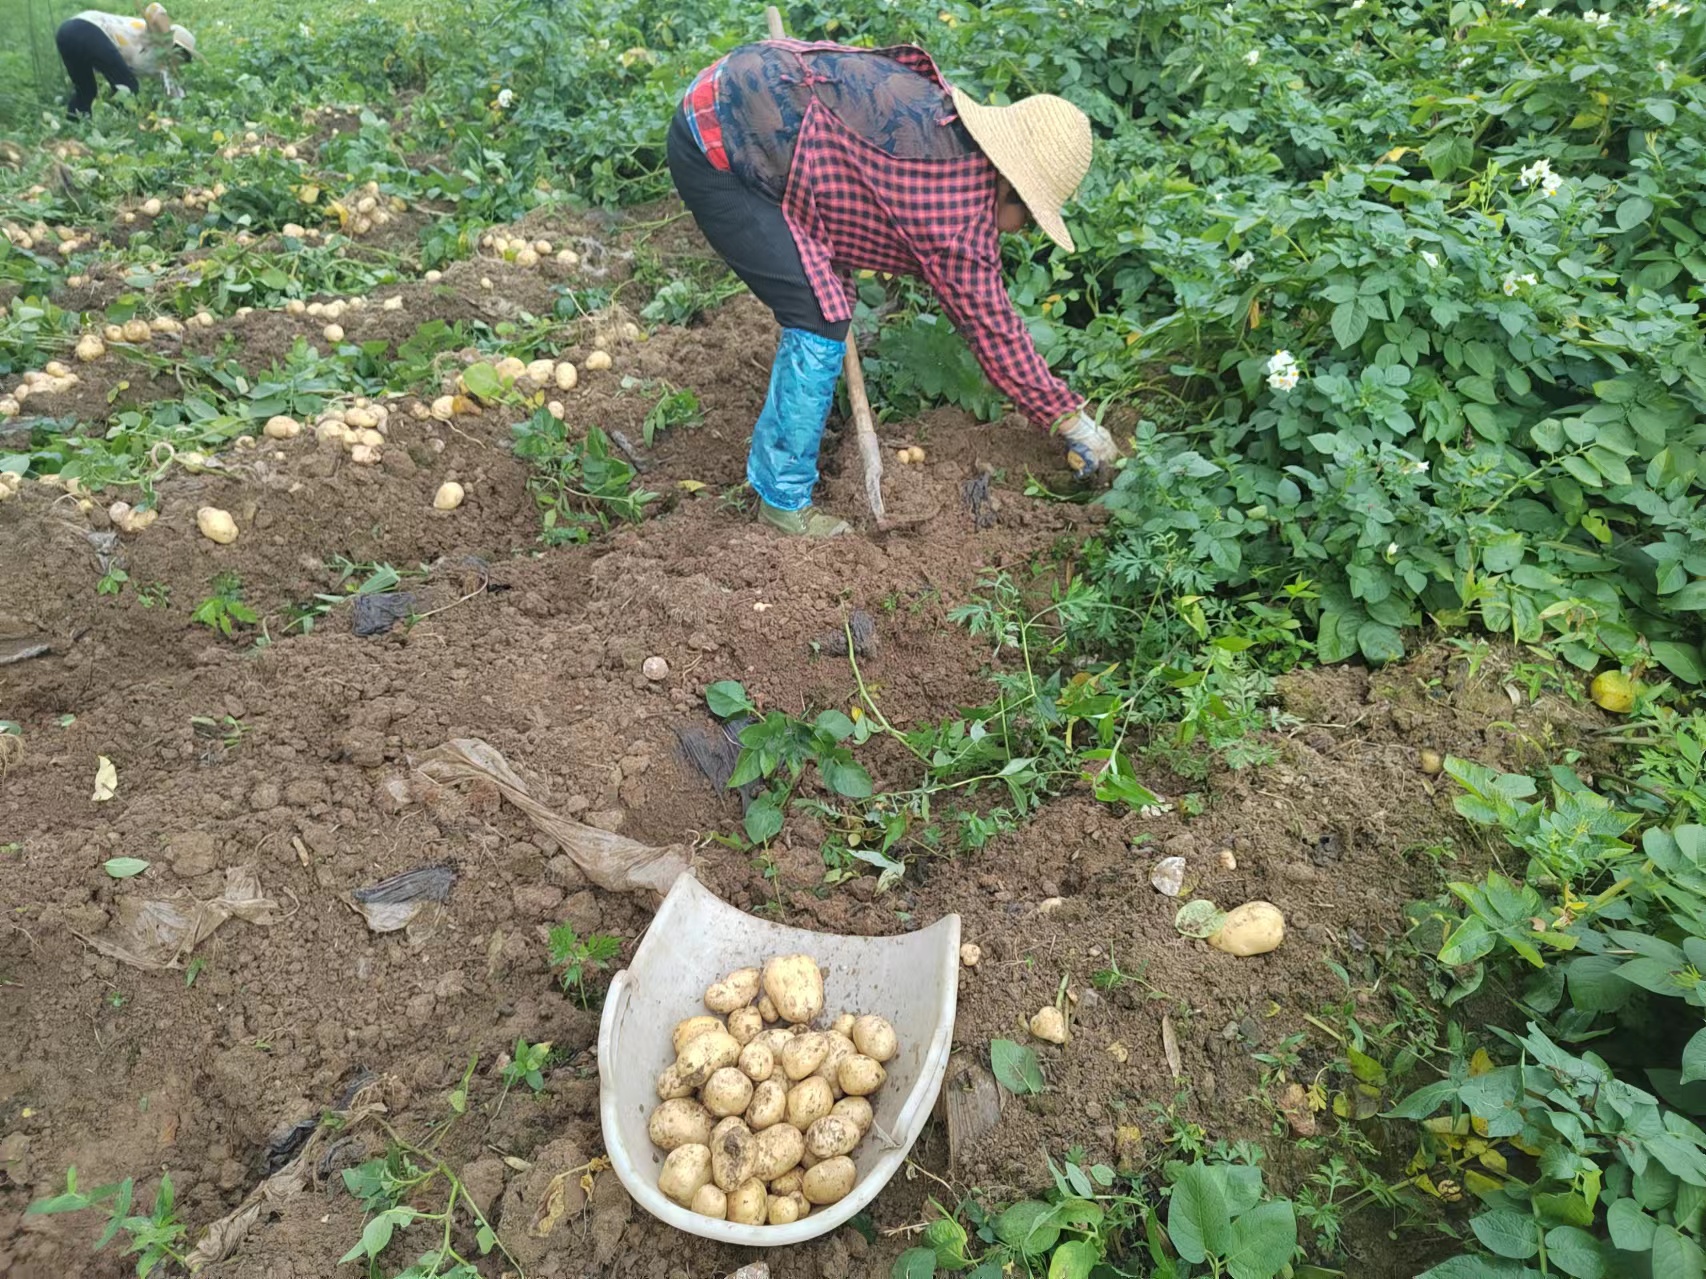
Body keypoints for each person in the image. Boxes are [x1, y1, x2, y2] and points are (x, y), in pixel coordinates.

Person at [668, 37, 1116, 537]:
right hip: (717, 146)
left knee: (827, 287)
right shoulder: (957, 220)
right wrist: (1069, 419)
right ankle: (782, 502)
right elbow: (995, 331)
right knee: (821, 315)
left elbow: (857, 168)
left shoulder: (940, 116)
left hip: (741, 82)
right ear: (1011, 188)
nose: (1017, 232)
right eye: (1027, 221)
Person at [57, 3, 196, 118]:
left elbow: (177, 98)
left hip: (68, 35)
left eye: (185, 58)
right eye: (181, 52)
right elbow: (155, 10)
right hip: (84, 28)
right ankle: (121, 128)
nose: (181, 59)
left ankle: (73, 128)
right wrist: (165, 38)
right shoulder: (152, 35)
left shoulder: (163, 68)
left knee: (86, 92)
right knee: (128, 88)